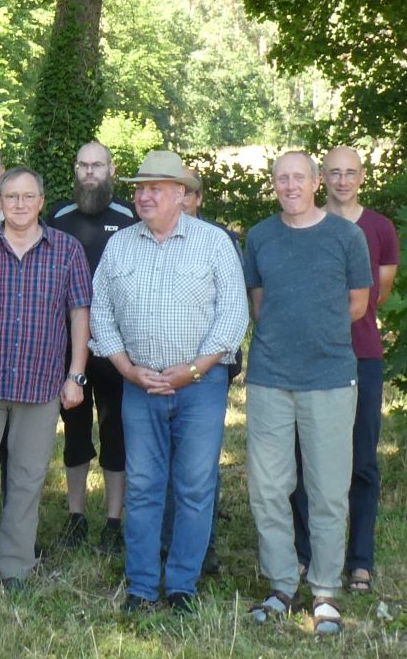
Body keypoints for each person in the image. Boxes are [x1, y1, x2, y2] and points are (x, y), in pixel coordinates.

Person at [90, 151, 248, 614]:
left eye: (155, 188)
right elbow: (100, 311)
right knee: (142, 485)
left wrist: (194, 370)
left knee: (195, 486)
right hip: (139, 386)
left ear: (181, 194)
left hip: (200, 386)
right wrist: (125, 368)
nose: (143, 195)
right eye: (140, 187)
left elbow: (233, 314)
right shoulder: (120, 244)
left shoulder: (214, 243)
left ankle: (182, 585)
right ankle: (141, 586)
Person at [0, 166, 91, 605]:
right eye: (12, 197)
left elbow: (79, 313)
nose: (20, 205)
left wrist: (76, 374)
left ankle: (15, 568)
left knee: (26, 481)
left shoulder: (66, 250)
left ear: (42, 201)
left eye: (29, 197)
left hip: (42, 385)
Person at [243, 151, 371, 635]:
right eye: (282, 178)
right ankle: (281, 583)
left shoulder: (346, 236)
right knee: (269, 488)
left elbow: (357, 303)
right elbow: (261, 304)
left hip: (331, 378)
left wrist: (317, 336)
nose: (290, 186)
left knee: (328, 488)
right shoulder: (260, 236)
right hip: (270, 377)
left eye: (299, 177)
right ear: (273, 184)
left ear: (317, 182)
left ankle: (324, 591)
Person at [291, 146, 400, 593]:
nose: (341, 181)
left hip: (361, 355)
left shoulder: (379, 229)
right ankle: (305, 552)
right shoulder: (302, 225)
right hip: (308, 360)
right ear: (320, 178)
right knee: (304, 460)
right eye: (333, 173)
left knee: (361, 459)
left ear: (362, 177)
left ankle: (360, 558)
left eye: (349, 173)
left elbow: (378, 296)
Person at [47, 141, 138, 553]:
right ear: (75, 169)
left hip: (118, 346)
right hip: (68, 347)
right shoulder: (58, 217)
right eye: (82, 165)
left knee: (116, 431)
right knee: (76, 432)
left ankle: (115, 521)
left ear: (111, 170)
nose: (89, 172)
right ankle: (76, 516)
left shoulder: (129, 218)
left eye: (97, 165)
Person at [158, 166, 243, 574]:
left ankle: (199, 549)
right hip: (157, 375)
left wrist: (209, 365)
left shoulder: (220, 242)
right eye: (179, 193)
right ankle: (165, 541)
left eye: (191, 195)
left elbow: (233, 308)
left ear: (196, 199)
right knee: (162, 464)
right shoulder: (146, 241)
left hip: (207, 370)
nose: (184, 201)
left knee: (198, 466)